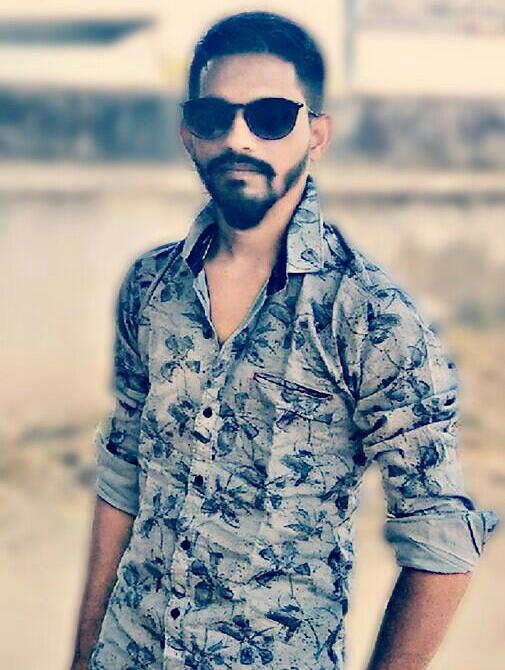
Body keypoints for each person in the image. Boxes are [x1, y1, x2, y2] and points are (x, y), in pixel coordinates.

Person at [69, 11, 499, 670]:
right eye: (214, 116)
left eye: (270, 116)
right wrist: (84, 656)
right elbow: (124, 476)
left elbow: (441, 539)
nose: (237, 137)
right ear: (188, 133)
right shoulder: (149, 288)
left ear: (316, 134)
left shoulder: (368, 315)